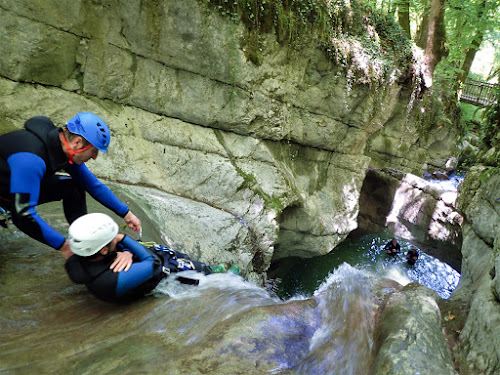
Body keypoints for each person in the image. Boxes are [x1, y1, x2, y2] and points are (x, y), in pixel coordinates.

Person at [0, 113, 141, 264]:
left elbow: (93, 185)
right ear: (77, 143)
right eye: (94, 150)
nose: (94, 157)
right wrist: (63, 246)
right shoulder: (31, 159)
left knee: (73, 187)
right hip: (6, 196)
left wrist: (126, 213)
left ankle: (86, 238)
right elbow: (23, 214)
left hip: (8, 190)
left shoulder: (62, 149)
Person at [65, 213, 216, 303]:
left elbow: (111, 252)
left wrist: (126, 252)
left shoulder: (80, 259)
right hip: (162, 273)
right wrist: (122, 238)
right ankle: (218, 275)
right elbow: (153, 263)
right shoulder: (112, 280)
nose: (115, 238)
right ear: (104, 250)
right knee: (199, 271)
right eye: (113, 238)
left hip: (138, 268)